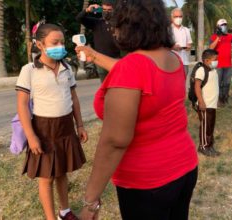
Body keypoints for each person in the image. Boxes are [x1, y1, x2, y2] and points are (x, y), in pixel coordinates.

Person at [75, 1, 198, 219]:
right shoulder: (172, 58)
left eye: (116, 23)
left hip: (148, 183)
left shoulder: (131, 68)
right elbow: (136, 71)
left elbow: (115, 140)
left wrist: (90, 201)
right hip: (184, 167)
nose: (113, 29)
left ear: (127, 25)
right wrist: (93, 55)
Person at [16, 24, 88, 220]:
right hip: (43, 130)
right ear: (40, 44)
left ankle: (64, 211)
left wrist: (79, 125)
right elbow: (22, 105)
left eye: (62, 42)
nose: (60, 46)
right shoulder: (29, 70)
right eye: (54, 42)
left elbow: (74, 99)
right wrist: (31, 136)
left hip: (65, 128)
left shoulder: (66, 68)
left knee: (62, 172)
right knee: (46, 177)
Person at [76, 0, 120, 82]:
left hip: (116, 59)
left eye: (109, 10)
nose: (106, 12)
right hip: (100, 59)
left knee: (118, 83)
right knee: (104, 85)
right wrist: (87, 10)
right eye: (104, 10)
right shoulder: (96, 22)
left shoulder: (119, 23)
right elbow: (79, 18)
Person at [194, 49, 220, 157]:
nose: (216, 61)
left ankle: (209, 145)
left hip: (212, 104)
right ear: (207, 60)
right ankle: (203, 146)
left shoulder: (213, 70)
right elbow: (197, 87)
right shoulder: (201, 70)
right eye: (215, 59)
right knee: (205, 127)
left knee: (210, 126)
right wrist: (201, 102)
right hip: (205, 104)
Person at [209, 19, 232, 106]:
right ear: (218, 27)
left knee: (226, 83)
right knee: (218, 83)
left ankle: (225, 98)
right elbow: (211, 48)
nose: (224, 26)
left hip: (228, 64)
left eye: (225, 24)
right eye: (222, 25)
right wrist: (218, 37)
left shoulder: (229, 36)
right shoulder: (214, 36)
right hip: (218, 65)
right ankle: (218, 99)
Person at [171, 8, 193, 76]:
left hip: (184, 61)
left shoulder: (186, 30)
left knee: (183, 83)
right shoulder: (167, 30)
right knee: (172, 83)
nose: (178, 18)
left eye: (180, 16)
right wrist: (172, 47)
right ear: (172, 17)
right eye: (176, 16)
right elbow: (163, 46)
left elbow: (189, 44)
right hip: (172, 62)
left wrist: (188, 47)